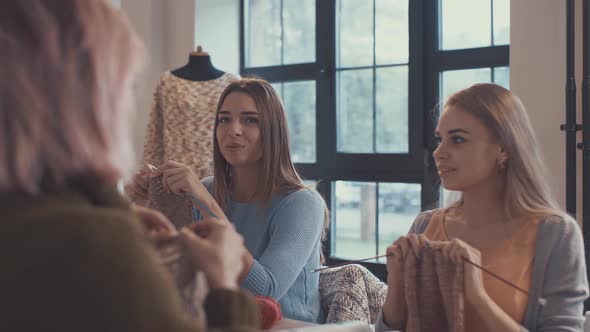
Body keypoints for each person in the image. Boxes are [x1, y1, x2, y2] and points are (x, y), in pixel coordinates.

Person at [0, 1, 259, 331]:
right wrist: (224, 284)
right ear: (89, 96)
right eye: (127, 85)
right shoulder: (94, 247)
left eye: (249, 120)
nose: (234, 130)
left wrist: (117, 213)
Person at [378, 83, 589, 331]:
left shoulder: (555, 234)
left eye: (457, 140)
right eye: (440, 139)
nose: (439, 152)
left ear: (503, 148)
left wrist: (476, 295)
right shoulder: (425, 225)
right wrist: (397, 283)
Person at [128, 78, 328, 323]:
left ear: (273, 130)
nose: (233, 129)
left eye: (250, 120)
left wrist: (204, 201)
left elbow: (265, 294)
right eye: (224, 119)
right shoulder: (207, 188)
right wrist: (144, 205)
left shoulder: (303, 204)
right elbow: (174, 272)